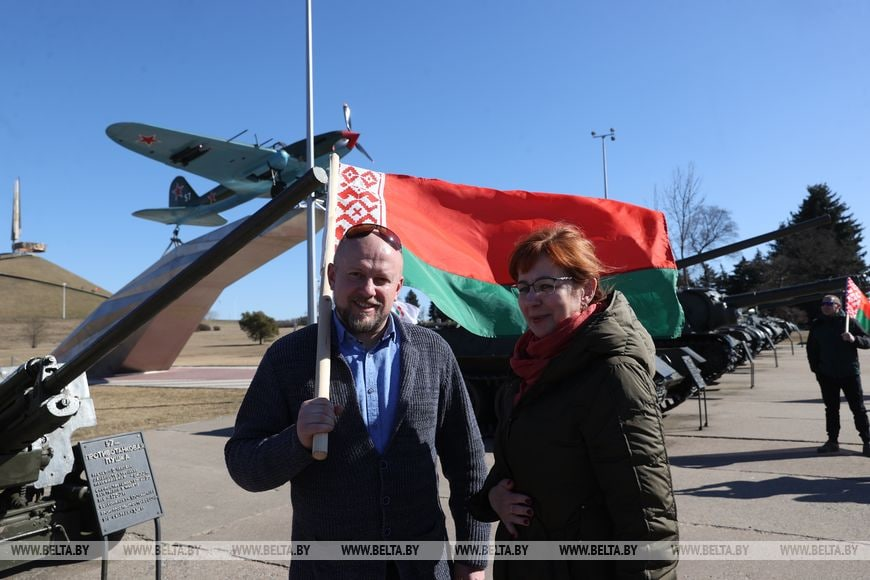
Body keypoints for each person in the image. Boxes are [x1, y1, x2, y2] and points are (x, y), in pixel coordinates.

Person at [225, 223, 489, 579]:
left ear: (398, 288)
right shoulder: (288, 357)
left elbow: (468, 461)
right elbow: (244, 464)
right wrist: (296, 440)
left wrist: (473, 557)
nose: (368, 290)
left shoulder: (433, 353)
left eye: (381, 280)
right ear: (333, 276)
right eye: (355, 275)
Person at [469, 223, 679, 579]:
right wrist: (492, 498)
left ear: (586, 290)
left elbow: (646, 511)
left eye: (547, 286)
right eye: (523, 287)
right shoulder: (529, 366)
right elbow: (517, 464)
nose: (531, 299)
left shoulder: (611, 373)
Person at [806, 294, 870, 456]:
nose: (825, 306)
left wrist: (854, 339)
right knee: (831, 409)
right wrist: (817, 369)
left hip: (849, 372)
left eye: (829, 303)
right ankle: (832, 441)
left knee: (858, 409)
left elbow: (868, 340)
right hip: (826, 374)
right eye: (823, 303)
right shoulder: (817, 324)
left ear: (838, 306)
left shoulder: (849, 322)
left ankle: (867, 441)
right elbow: (812, 349)